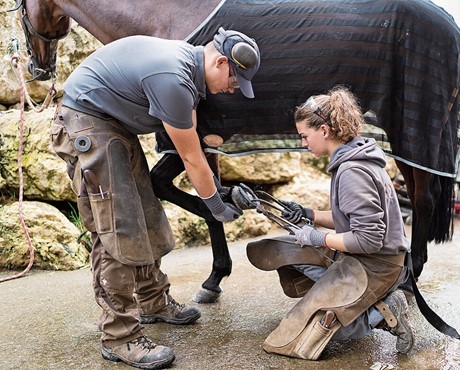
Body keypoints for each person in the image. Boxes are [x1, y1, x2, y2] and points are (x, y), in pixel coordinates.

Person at [50, 28, 261, 369]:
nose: (233, 88)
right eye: (235, 80)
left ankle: (152, 301)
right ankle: (120, 336)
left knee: (147, 214)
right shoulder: (173, 78)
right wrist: (217, 208)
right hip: (87, 124)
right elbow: (192, 159)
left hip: (113, 126)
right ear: (221, 61)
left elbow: (189, 136)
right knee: (118, 226)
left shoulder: (189, 73)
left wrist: (216, 197)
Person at [246, 86, 414, 360]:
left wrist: (317, 238)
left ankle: (381, 313)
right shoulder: (352, 158)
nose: (303, 143)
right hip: (359, 256)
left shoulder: (351, 172)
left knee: (295, 341)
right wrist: (308, 213)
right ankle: (335, 295)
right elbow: (348, 219)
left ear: (324, 131)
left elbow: (368, 239)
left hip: (377, 266)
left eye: (304, 136)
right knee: (284, 247)